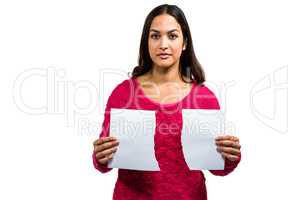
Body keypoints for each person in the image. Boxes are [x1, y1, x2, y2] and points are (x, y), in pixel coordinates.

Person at [92, 4, 241, 200]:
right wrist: (101, 157)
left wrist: (229, 157)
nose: (163, 44)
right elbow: (103, 160)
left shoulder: (204, 97)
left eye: (172, 36)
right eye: (155, 36)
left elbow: (218, 169)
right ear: (147, 41)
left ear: (185, 42)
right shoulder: (123, 93)